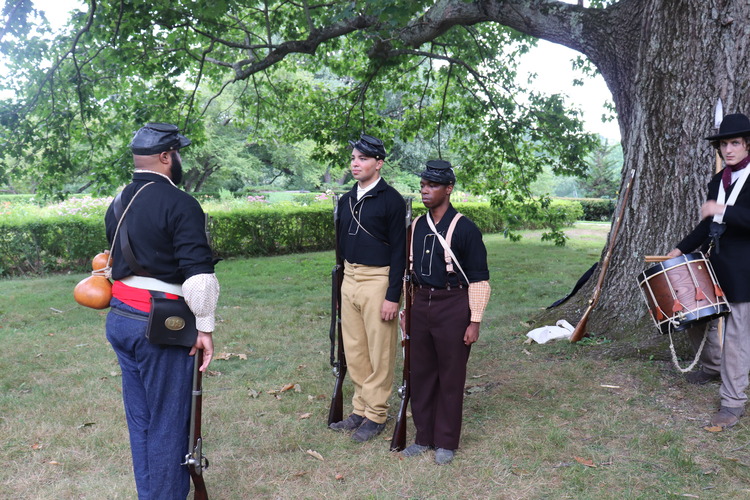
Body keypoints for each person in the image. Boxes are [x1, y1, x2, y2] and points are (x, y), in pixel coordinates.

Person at [104, 123, 220, 498]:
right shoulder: (181, 203)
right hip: (161, 326)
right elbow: (198, 276)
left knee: (142, 421)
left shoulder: (120, 201)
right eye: (179, 153)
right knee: (169, 423)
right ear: (168, 157)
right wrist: (204, 328)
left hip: (121, 318)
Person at [400, 160, 491, 464]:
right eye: (423, 185)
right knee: (420, 373)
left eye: (433, 185)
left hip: (453, 305)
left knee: (450, 375)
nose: (425, 190)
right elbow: (408, 273)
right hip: (420, 304)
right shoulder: (415, 227)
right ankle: (423, 436)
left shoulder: (466, 228)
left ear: (449, 189)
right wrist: (406, 310)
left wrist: (474, 319)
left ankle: (446, 441)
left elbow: (479, 279)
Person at [667, 112, 750, 428]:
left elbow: (728, 215)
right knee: (693, 315)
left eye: (735, 143)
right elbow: (708, 224)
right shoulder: (719, 180)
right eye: (724, 144)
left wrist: (723, 210)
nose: (728, 150)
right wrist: (678, 251)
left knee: (737, 340)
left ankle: (732, 403)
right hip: (714, 264)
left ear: (747, 145)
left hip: (745, 271)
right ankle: (712, 366)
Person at [328, 133, 407, 443]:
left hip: (379, 280)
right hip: (350, 277)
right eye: (353, 158)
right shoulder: (348, 199)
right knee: (356, 349)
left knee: (380, 352)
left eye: (362, 158)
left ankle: (377, 413)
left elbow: (399, 252)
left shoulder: (391, 200)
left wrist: (392, 295)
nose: (355, 163)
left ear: (379, 163)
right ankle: (360, 409)